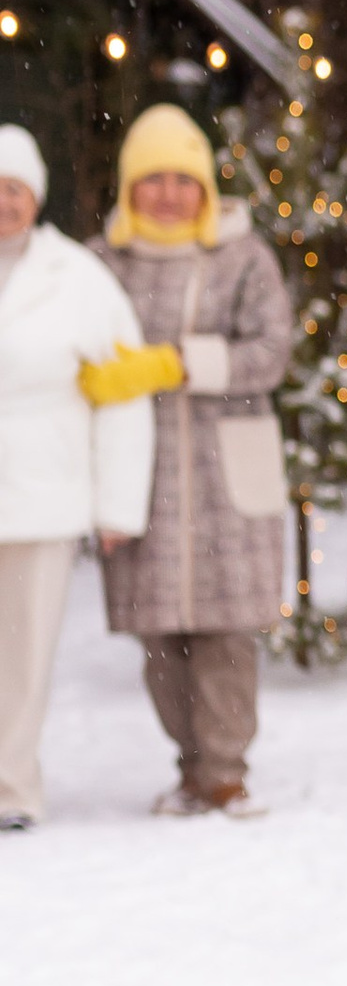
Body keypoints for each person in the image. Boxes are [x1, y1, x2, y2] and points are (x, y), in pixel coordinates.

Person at [92, 103, 296, 813]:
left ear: (207, 188)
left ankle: (225, 771)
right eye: (154, 179)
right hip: (139, 471)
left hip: (223, 468)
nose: (170, 193)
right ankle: (187, 766)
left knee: (223, 629)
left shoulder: (242, 256)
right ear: (130, 187)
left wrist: (179, 362)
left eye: (185, 178)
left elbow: (271, 353)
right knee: (159, 632)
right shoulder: (100, 264)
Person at [0, 124, 160, 828]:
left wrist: (118, 505)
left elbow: (124, 396)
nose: (3, 202)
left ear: (35, 196)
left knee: (23, 655)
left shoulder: (79, 278)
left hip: (43, 494)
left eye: (14, 189)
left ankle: (11, 789)